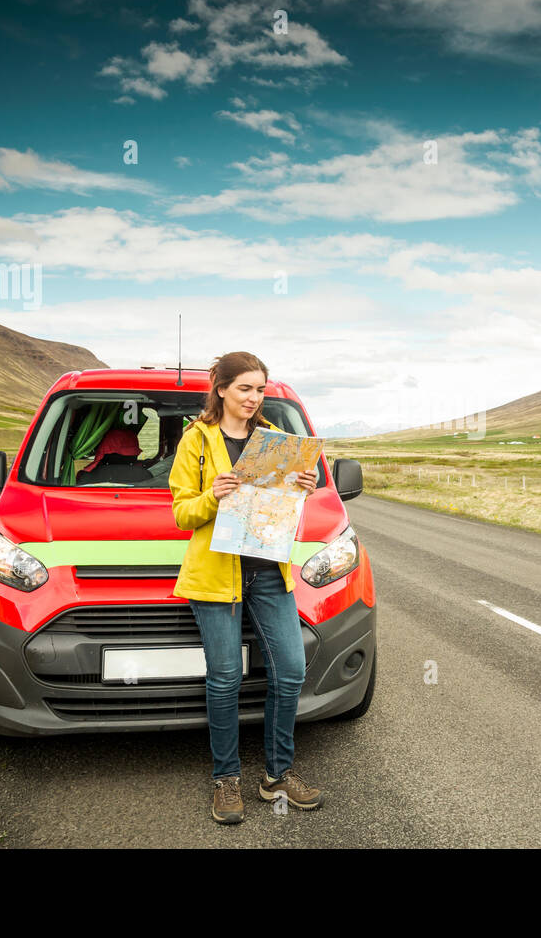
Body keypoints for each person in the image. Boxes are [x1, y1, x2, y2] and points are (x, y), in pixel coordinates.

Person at [168, 351, 322, 825]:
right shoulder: (196, 440)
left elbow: (281, 507)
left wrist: (304, 485)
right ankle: (226, 779)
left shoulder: (276, 442)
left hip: (268, 573)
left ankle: (276, 775)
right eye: (245, 389)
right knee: (226, 678)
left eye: (260, 389)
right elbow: (180, 513)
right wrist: (212, 496)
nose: (254, 398)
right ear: (221, 389)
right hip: (215, 574)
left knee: (291, 671)